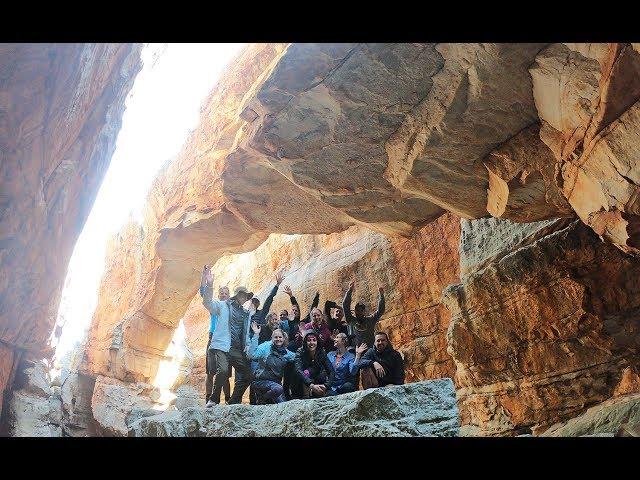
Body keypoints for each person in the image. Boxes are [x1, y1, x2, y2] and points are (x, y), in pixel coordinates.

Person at [201, 265, 255, 406]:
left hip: (237, 349)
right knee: (223, 371)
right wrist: (210, 285)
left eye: (246, 296)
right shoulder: (223, 305)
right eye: (242, 295)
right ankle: (213, 399)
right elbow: (207, 302)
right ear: (237, 295)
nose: (244, 297)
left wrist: (248, 347)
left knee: (249, 375)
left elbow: (245, 334)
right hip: (222, 345)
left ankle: (233, 401)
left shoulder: (245, 313)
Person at [247, 324, 295, 404]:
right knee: (278, 389)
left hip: (275, 384)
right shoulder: (265, 347)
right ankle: (262, 399)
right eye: (275, 337)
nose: (278, 339)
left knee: (283, 405)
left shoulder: (285, 352)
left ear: (283, 339)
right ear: (272, 338)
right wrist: (256, 334)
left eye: (280, 337)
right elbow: (251, 355)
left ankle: (265, 398)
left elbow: (296, 357)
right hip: (261, 382)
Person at [200, 282, 231, 404]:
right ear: (218, 296)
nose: (223, 295)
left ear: (229, 296)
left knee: (225, 373)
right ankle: (208, 398)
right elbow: (204, 295)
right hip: (213, 338)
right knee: (210, 372)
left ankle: (228, 399)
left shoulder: (229, 308)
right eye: (221, 294)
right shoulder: (216, 306)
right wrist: (206, 281)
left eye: (225, 294)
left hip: (224, 340)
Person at [342, 281, 385, 349]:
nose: (359, 312)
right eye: (357, 310)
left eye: (361, 310)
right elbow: (345, 305)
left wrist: (381, 295)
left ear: (364, 312)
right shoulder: (350, 320)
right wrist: (350, 290)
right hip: (354, 351)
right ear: (355, 311)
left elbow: (380, 311)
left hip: (369, 351)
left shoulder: (370, 320)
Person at [293, 331, 334, 399]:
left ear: (317, 342)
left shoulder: (321, 352)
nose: (311, 343)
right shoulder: (300, 352)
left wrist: (326, 386)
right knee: (306, 371)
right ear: (305, 342)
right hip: (302, 384)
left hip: (318, 382)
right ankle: (306, 396)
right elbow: (298, 370)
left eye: (314, 340)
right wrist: (311, 385)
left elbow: (331, 371)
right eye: (309, 340)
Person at [283, 285, 319, 352]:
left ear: (299, 313)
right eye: (293, 310)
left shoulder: (303, 323)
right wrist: (291, 296)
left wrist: (316, 298)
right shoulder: (289, 321)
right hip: (291, 348)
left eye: (296, 311)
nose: (294, 312)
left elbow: (312, 311)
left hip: (303, 347)